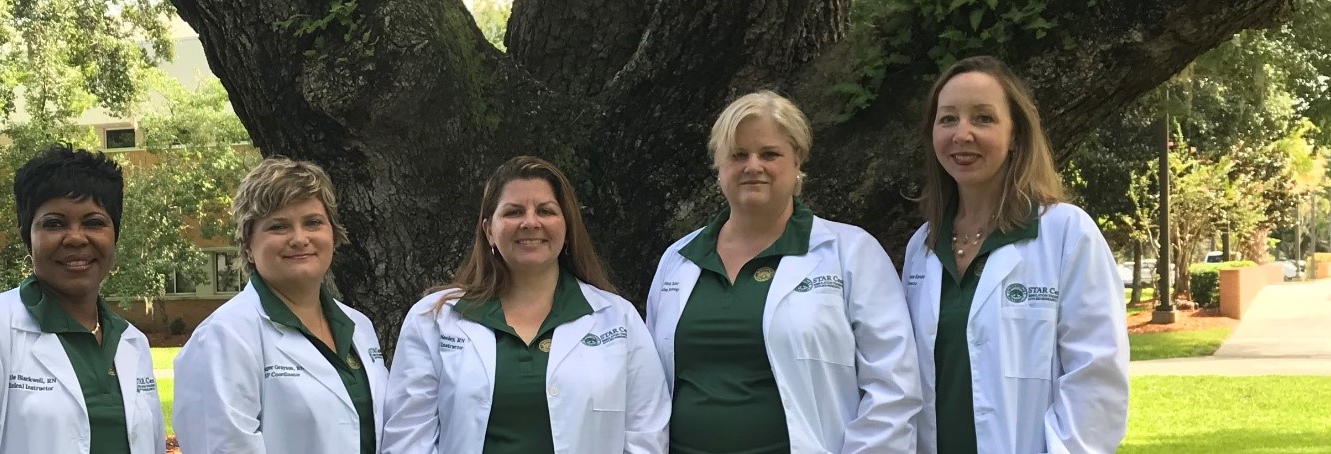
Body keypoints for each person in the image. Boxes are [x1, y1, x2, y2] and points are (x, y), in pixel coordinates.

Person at [645, 90, 922, 453]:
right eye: (738, 155)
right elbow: (648, 390)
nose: (753, 166)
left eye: (769, 154)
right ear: (719, 166)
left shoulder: (850, 252)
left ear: (797, 160)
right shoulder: (678, 260)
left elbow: (894, 387)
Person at [902, 55, 1130, 453]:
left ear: (1017, 136)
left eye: (983, 118)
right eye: (948, 118)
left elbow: (1096, 377)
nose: (962, 134)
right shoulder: (922, 248)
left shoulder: (1065, 233)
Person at [383, 156, 670, 454]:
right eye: (513, 212)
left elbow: (647, 435)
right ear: (489, 230)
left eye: (545, 210)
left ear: (567, 226)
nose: (530, 222)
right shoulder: (434, 319)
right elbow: (408, 439)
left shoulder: (618, 318)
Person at [0, 145, 165, 453]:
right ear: (29, 237)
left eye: (94, 222)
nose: (76, 237)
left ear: (114, 235)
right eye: (54, 223)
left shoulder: (132, 342)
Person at [173, 157, 388, 453]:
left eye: (312, 222)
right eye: (278, 226)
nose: (300, 239)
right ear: (248, 245)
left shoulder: (359, 327)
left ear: (333, 234)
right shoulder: (224, 337)